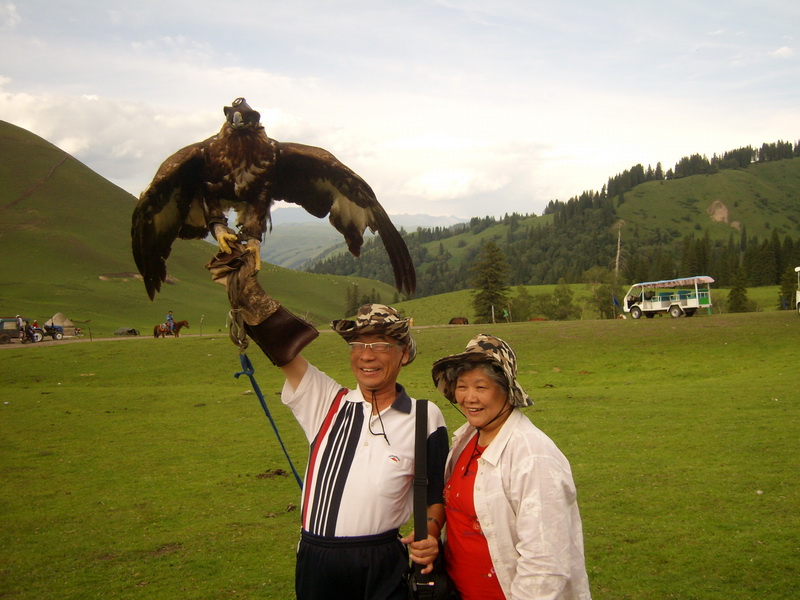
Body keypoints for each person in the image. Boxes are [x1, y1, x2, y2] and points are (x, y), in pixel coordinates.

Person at [206, 245, 449, 600]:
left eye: (381, 344)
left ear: (405, 353)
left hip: (382, 558)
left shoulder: (425, 416)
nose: (367, 355)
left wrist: (429, 533)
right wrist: (246, 292)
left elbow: (436, 494)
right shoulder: (327, 401)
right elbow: (282, 347)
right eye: (356, 345)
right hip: (317, 558)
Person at [431, 334, 591, 600]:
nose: (469, 398)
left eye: (481, 387)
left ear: (506, 389)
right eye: (462, 386)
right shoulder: (467, 439)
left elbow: (546, 563)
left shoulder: (533, 457)